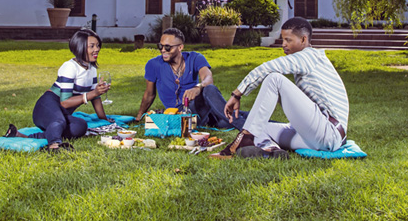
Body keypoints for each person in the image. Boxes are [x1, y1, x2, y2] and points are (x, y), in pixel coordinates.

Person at [211, 17, 349, 159]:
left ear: (303, 40)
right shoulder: (307, 59)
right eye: (282, 39)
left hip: (329, 134)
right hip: (314, 137)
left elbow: (267, 68)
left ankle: (244, 139)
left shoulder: (309, 56)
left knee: (274, 78)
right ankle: (270, 151)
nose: (283, 44)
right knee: (258, 126)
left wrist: (236, 95)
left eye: (288, 40)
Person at [4, 29, 111, 151]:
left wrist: (104, 120)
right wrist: (93, 93)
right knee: (59, 121)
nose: (96, 49)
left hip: (63, 113)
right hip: (46, 107)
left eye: (97, 45)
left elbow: (95, 97)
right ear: (79, 47)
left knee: (80, 126)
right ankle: (54, 145)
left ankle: (21, 135)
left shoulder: (91, 69)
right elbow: (65, 103)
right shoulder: (70, 67)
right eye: (91, 46)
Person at [135, 28, 246, 130]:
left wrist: (198, 87)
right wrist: (139, 116)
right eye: (160, 46)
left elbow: (208, 78)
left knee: (209, 89)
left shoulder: (195, 58)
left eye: (168, 47)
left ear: (180, 47)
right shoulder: (153, 64)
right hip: (181, 116)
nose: (163, 50)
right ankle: (243, 122)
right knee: (227, 121)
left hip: (200, 108)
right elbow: (149, 94)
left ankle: (238, 122)